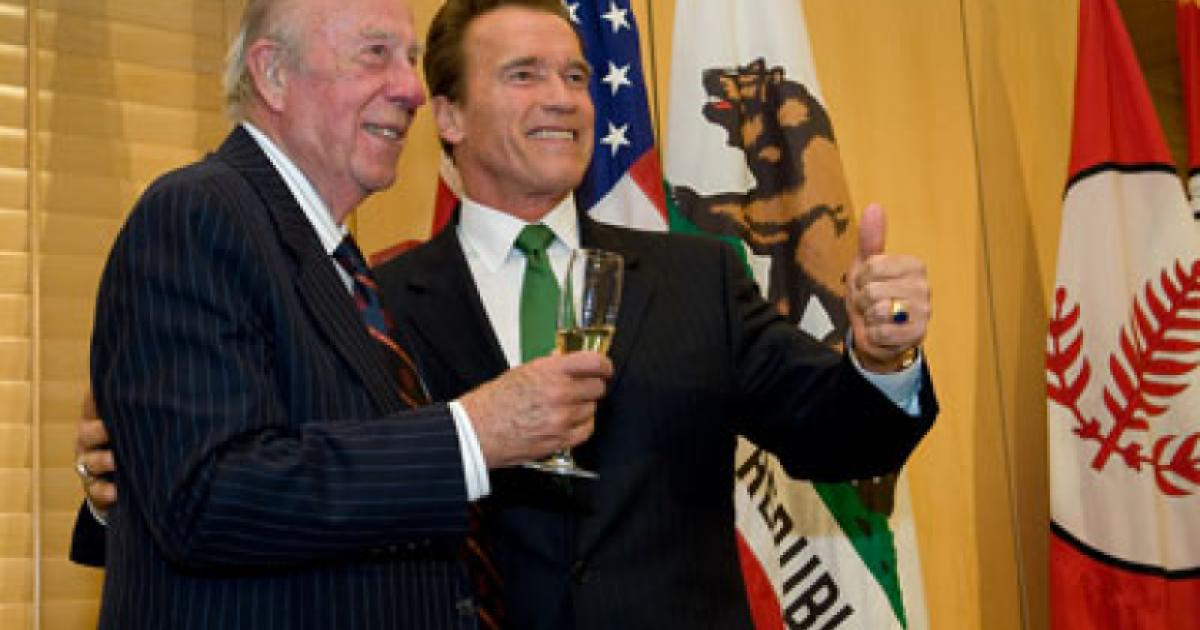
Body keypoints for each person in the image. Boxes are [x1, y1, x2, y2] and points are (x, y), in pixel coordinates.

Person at [75, 0, 936, 627]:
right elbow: (246, 488)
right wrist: (123, 487)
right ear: (449, 116)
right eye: (524, 75)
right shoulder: (373, 298)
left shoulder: (697, 276)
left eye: (575, 76)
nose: (563, 97)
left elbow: (844, 439)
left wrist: (881, 358)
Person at [78, 0, 612, 627]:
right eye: (375, 55)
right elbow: (209, 496)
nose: (412, 90)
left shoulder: (338, 260)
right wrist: (471, 433)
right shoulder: (198, 214)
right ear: (273, 73)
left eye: (409, 59)